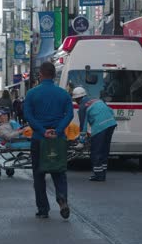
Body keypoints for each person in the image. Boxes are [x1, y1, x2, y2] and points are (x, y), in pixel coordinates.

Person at [24, 61, 74, 219]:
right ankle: (62, 198)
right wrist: (58, 130)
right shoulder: (63, 94)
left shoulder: (32, 93)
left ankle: (43, 209)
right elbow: (70, 115)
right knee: (59, 172)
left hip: (39, 139)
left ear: (40, 75)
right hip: (58, 140)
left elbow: (28, 116)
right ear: (54, 75)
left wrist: (42, 131)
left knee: (39, 175)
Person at [72, 87, 117, 182]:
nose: (75, 102)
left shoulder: (83, 106)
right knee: (104, 150)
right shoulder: (96, 99)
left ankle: (98, 175)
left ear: (78, 98)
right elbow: (110, 110)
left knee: (96, 151)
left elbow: (83, 125)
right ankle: (103, 173)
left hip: (100, 126)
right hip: (111, 123)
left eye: (75, 99)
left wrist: (81, 141)